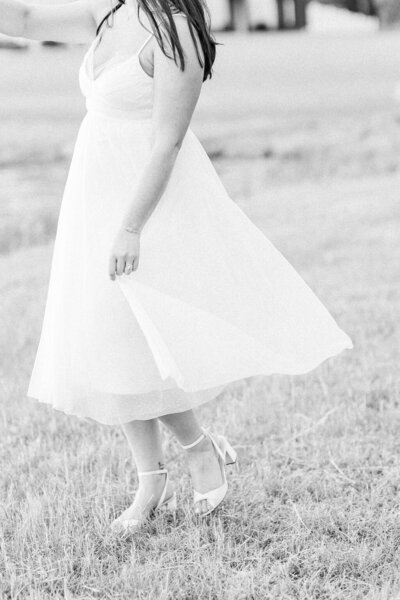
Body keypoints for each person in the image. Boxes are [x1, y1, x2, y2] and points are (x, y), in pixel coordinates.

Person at [1, 0, 352, 533]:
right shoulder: (108, 12)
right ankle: (152, 479)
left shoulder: (177, 33)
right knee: (107, 339)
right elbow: (21, 22)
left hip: (147, 207)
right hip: (93, 200)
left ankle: (195, 448)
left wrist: (131, 228)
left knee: (138, 337)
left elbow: (167, 143)